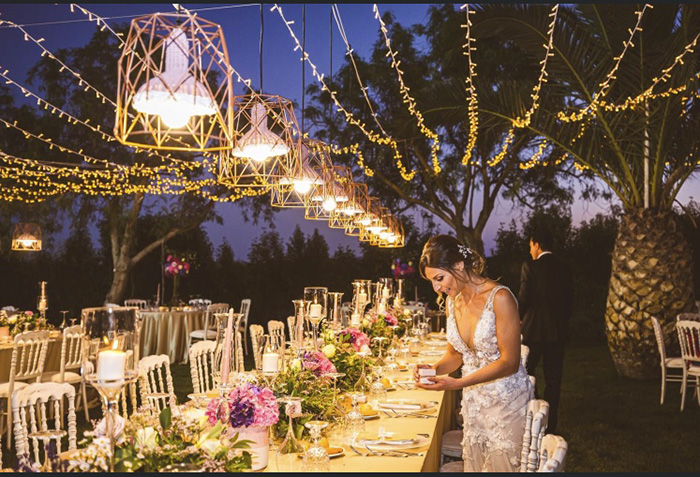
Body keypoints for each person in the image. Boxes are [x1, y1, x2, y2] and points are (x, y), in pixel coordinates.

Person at [415, 234, 533, 472]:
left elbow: (509, 362)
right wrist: (433, 369)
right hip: (474, 407)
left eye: (439, 278)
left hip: (506, 407)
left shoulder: (500, 298)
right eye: (432, 282)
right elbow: (455, 355)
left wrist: (457, 383)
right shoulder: (452, 302)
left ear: (458, 265)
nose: (437, 287)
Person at [518, 228, 574, 433]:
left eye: (530, 245)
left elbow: (524, 298)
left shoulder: (530, 267)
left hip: (533, 330)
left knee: (525, 372)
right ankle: (551, 422)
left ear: (537, 244)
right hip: (557, 331)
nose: (530, 249)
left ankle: (533, 412)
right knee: (554, 377)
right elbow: (569, 301)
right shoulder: (565, 268)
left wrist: (519, 318)